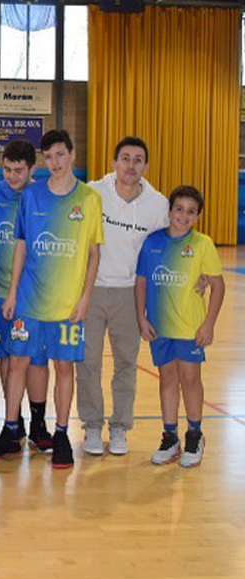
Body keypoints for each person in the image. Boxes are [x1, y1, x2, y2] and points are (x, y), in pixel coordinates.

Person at [0, 130, 103, 469]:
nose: (55, 163)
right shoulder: (32, 195)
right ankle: (10, 431)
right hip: (29, 301)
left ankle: (61, 433)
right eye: (49, 157)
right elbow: (21, 245)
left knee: (64, 367)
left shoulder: (89, 199)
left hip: (67, 305)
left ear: (72, 154)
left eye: (60, 155)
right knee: (18, 361)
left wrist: (85, 298)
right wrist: (13, 292)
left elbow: (94, 254)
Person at [77, 137, 169, 455]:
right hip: (91, 291)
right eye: (125, 158)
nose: (131, 165)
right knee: (87, 362)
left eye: (138, 159)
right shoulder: (91, 192)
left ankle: (119, 427)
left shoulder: (158, 204)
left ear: (145, 166)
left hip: (130, 294)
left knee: (126, 363)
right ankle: (91, 426)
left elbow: (169, 244)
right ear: (114, 162)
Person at [136, 186, 224, 468]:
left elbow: (217, 285)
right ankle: (170, 436)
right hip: (160, 328)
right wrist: (142, 317)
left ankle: (195, 435)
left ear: (198, 216)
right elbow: (141, 282)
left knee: (190, 379)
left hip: (190, 329)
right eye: (179, 209)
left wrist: (208, 323)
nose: (183, 216)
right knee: (167, 380)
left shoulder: (202, 244)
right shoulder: (151, 243)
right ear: (169, 211)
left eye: (190, 211)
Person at [0, 140, 53, 452]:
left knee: (36, 361)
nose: (12, 176)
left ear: (31, 169)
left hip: (32, 295)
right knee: (8, 359)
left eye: (18, 170)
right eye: (7, 169)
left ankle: (38, 424)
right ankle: (15, 423)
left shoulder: (43, 196)